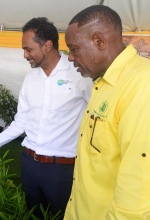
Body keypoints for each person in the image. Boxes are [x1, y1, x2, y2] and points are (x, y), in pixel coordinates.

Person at [0, 17, 93, 217]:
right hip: (29, 163)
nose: (24, 55)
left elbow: (94, 117)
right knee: (32, 213)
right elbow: (21, 122)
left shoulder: (79, 74)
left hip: (61, 169)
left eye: (28, 49)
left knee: (61, 215)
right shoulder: (30, 79)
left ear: (47, 46)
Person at [64, 5, 150, 220]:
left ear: (99, 41)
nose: (70, 58)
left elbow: (136, 196)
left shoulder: (142, 85)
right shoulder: (103, 82)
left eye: (74, 49)